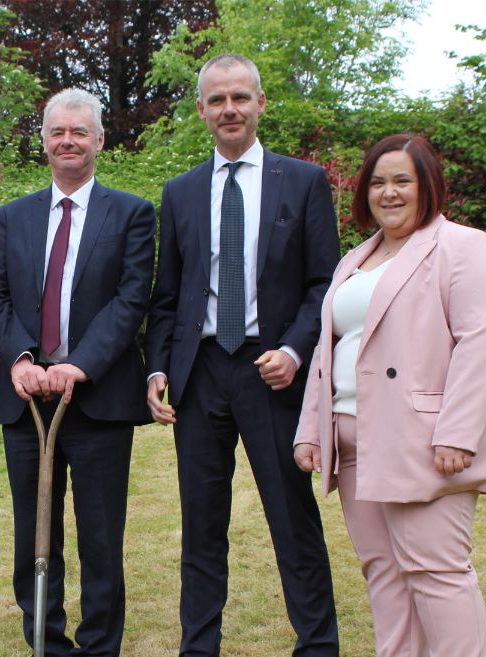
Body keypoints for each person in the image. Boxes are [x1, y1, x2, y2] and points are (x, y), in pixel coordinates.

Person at [144, 54, 341, 657]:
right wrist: (157, 368)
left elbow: (324, 284)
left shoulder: (302, 182)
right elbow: (168, 295)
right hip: (200, 376)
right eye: (217, 100)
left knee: (292, 517)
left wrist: (294, 349)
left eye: (240, 98)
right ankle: (198, 647)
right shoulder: (179, 193)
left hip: (271, 371)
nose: (229, 109)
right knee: (202, 526)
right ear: (202, 110)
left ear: (260, 104)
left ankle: (318, 645)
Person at [293, 133, 486, 657]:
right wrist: (311, 429)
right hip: (353, 445)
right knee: (385, 576)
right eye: (377, 182)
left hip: (423, 441)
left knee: (436, 574)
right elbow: (329, 351)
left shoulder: (463, 245)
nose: (388, 193)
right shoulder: (355, 259)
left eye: (401, 181)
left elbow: (480, 342)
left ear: (427, 186)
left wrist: (458, 433)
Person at [0, 88, 155, 657]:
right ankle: (45, 643)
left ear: (99, 141)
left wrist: (80, 363)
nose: (68, 141)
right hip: (27, 400)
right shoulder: (15, 216)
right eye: (58, 131)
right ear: (45, 142)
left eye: (80, 131)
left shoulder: (132, 213)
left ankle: (100, 645)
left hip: (98, 399)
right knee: (35, 532)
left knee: (102, 538)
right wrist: (24, 359)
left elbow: (131, 300)